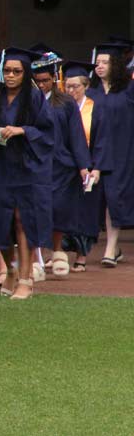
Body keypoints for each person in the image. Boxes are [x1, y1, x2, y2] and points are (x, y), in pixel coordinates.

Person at [0, 47, 54, 300]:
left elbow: (48, 133)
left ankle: (25, 279)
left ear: (25, 73)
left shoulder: (34, 98)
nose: (10, 75)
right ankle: (10, 270)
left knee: (23, 221)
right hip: (0, 165)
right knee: (1, 222)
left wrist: (23, 130)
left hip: (26, 167)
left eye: (16, 71)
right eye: (7, 71)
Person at [42, 61, 92, 278]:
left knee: (58, 208)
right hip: (35, 164)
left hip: (61, 165)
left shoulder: (65, 102)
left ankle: (57, 249)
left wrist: (83, 165)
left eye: (45, 80)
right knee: (35, 210)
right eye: (38, 80)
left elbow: (76, 135)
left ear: (54, 78)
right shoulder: (26, 102)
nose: (41, 84)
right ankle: (35, 258)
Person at [89, 42, 132, 268]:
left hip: (121, 153)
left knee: (114, 199)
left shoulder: (128, 91)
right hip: (95, 154)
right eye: (98, 62)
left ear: (116, 65)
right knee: (100, 200)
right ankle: (113, 248)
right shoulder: (91, 93)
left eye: (105, 62)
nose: (100, 66)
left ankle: (109, 249)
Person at [61, 61, 106, 272]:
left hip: (88, 169)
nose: (71, 91)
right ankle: (58, 254)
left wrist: (96, 167)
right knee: (63, 210)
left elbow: (102, 141)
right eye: (67, 86)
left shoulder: (96, 108)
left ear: (86, 86)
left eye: (75, 86)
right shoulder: (60, 107)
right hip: (65, 169)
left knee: (86, 213)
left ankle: (81, 256)